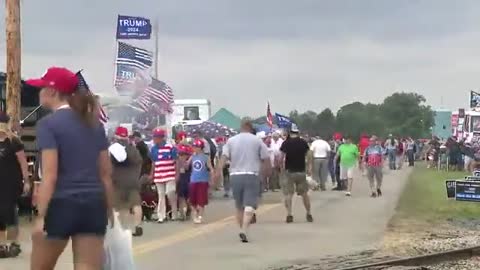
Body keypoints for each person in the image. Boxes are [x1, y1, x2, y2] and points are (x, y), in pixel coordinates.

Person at [27, 67, 114, 269]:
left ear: (53, 92)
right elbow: (105, 174)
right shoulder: (93, 123)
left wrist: (41, 217)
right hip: (94, 204)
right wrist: (109, 210)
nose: (39, 92)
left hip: (62, 203)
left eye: (41, 88)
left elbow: (50, 175)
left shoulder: (48, 124)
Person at [216, 119, 271, 243]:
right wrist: (267, 173)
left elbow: (224, 157)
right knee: (250, 205)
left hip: (235, 175)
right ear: (251, 128)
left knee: (239, 206)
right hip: (252, 174)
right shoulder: (257, 140)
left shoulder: (231, 140)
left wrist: (218, 171)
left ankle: (241, 229)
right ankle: (244, 230)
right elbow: (266, 158)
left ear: (241, 127)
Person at [0, 113, 30, 258]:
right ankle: (1, 245)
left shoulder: (14, 142)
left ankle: (13, 243)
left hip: (11, 183)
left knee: (10, 213)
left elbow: (23, 163)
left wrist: (26, 181)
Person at [109, 126, 143, 237]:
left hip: (119, 182)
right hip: (133, 180)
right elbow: (139, 162)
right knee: (136, 204)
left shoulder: (113, 149)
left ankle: (125, 228)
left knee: (122, 206)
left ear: (116, 136)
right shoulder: (133, 149)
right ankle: (137, 226)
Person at [279, 124, 314, 223]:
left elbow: (281, 157)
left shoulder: (286, 143)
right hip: (301, 171)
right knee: (304, 194)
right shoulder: (303, 142)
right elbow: (309, 154)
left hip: (289, 171)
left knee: (288, 194)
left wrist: (281, 168)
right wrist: (310, 167)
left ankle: (289, 214)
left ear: (290, 133)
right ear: (298, 133)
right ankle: (308, 213)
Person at [150, 128, 178, 223]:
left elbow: (176, 161)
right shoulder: (153, 149)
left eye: (156, 137)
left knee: (170, 192)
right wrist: (151, 174)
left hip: (170, 174)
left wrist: (177, 174)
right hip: (159, 174)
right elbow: (153, 162)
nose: (154, 139)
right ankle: (161, 216)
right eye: (154, 137)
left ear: (161, 138)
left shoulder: (170, 147)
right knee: (160, 195)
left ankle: (174, 212)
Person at [188, 139, 214, 224]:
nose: (194, 148)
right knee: (192, 200)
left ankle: (200, 216)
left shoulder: (206, 157)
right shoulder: (192, 156)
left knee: (201, 200)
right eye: (194, 146)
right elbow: (186, 165)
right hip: (193, 180)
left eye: (196, 147)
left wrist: (212, 179)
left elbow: (211, 169)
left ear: (201, 148)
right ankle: (195, 214)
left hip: (203, 181)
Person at [176, 144, 193, 221]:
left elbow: (186, 167)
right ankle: (182, 213)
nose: (181, 156)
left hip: (188, 180)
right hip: (181, 180)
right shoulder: (177, 161)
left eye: (183, 154)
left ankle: (189, 208)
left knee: (188, 198)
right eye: (180, 154)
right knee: (180, 197)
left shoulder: (190, 161)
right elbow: (177, 170)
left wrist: (186, 160)